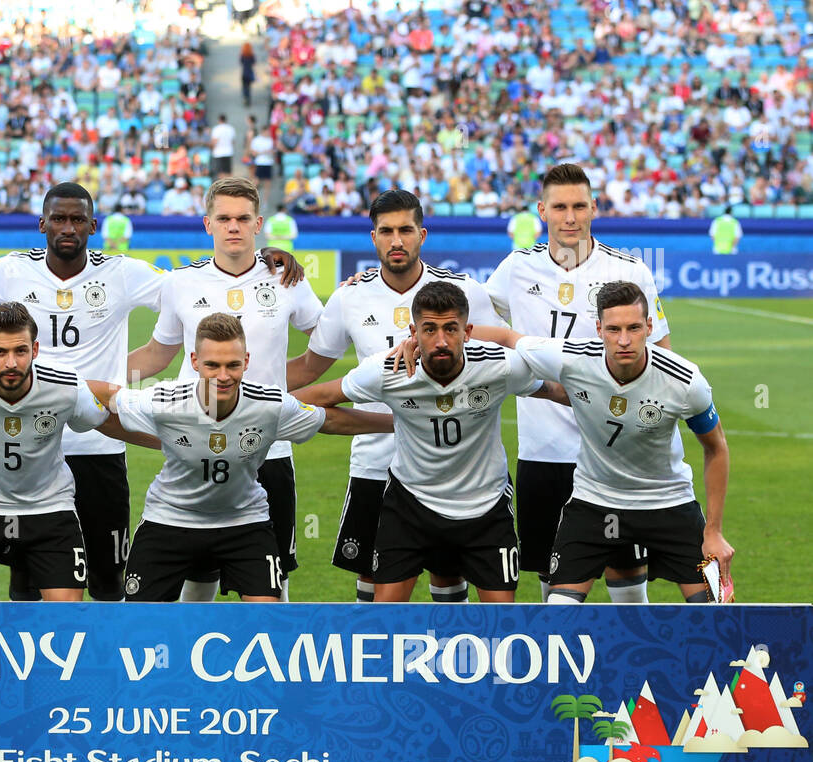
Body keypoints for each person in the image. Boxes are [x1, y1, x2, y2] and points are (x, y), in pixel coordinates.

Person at [0, 181, 303, 602]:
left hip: (99, 444)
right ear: (42, 224)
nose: (68, 228)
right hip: (34, 446)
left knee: (108, 578)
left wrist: (261, 262)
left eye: (77, 219)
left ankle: (101, 683)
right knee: (31, 585)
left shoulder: (123, 273)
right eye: (58, 219)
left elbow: (197, 284)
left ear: (92, 226)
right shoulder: (9, 272)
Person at [286, 189, 502, 602]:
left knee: (448, 578)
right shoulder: (350, 297)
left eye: (405, 230)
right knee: (370, 586)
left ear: (422, 234)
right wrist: (250, 391)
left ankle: (450, 663)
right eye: (386, 231)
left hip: (450, 468)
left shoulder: (465, 293)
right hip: (375, 463)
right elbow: (311, 369)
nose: (396, 240)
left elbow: (498, 359)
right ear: (373, 238)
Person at [295, 282, 567, 602]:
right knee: (385, 621)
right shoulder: (389, 370)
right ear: (413, 332)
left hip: (486, 508)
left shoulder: (498, 365)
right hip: (410, 505)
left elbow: (560, 390)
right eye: (429, 330)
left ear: (468, 331)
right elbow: (308, 402)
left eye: (451, 329)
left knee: (501, 626)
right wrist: (389, 423)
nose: (440, 341)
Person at [471, 281, 733, 603]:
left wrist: (714, 531)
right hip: (594, 501)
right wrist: (423, 343)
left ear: (649, 327)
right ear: (598, 328)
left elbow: (716, 447)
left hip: (667, 502)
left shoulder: (684, 381)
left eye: (634, 328)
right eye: (613, 329)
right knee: (558, 611)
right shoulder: (572, 359)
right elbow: (508, 339)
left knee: (715, 613)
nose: (624, 340)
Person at [484, 163, 672, 603]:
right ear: (541, 211)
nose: (570, 218)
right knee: (554, 580)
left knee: (626, 572)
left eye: (579, 207)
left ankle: (636, 661)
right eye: (560, 207)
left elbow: (661, 353)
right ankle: (564, 671)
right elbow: (463, 310)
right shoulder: (517, 269)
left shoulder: (629, 271)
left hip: (616, 452)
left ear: (595, 208)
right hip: (543, 449)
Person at [106, 313, 393, 601]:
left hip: (243, 522)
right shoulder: (163, 401)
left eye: (232, 365)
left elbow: (330, 421)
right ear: (194, 362)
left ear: (246, 361)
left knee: (267, 618)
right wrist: (73, 399)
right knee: (139, 624)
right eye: (212, 365)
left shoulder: (269, 405)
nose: (223, 376)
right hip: (169, 519)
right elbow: (101, 399)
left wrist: (399, 424)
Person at [129, 176, 322, 601]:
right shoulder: (180, 282)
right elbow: (157, 356)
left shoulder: (286, 279)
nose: (233, 226)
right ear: (207, 224)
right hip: (195, 443)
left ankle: (272, 664)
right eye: (224, 218)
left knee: (272, 575)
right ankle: (188, 662)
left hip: (266, 445)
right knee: (198, 576)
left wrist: (285, 389)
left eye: (242, 219)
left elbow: (325, 345)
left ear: (258, 224)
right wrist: (79, 379)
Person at [0, 302, 148, 602]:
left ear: (35, 349)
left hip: (49, 509)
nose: (11, 363)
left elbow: (102, 421)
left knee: (67, 618)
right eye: (0, 352)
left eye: (21, 351)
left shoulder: (66, 385)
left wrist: (169, 441)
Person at [240, 42, 256, 107]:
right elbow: (254, 62)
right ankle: (248, 98)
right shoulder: (251, 55)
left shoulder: (243, 55)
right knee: (248, 87)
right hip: (249, 73)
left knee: (244, 87)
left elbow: (241, 62)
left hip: (244, 73)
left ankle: (245, 97)